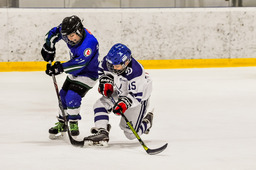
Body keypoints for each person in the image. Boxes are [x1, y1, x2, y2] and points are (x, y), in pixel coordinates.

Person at [41, 15, 99, 139]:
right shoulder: (69, 32)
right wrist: (49, 47)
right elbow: (53, 34)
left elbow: (80, 64)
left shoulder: (89, 43)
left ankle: (73, 122)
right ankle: (62, 123)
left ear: (79, 30)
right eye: (68, 36)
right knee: (62, 96)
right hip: (75, 72)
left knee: (72, 96)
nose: (70, 39)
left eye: (72, 36)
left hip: (88, 74)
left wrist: (60, 68)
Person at [84, 43, 153, 146]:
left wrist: (123, 104)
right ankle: (102, 132)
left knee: (130, 134)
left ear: (126, 62)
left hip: (138, 99)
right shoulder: (109, 62)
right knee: (100, 105)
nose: (113, 68)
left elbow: (136, 97)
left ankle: (147, 122)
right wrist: (105, 81)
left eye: (116, 66)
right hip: (120, 92)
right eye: (111, 65)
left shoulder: (136, 72)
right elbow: (101, 71)